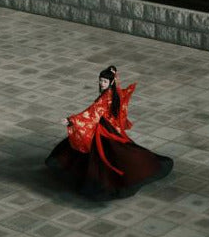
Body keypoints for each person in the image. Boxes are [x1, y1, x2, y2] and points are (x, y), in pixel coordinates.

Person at [45, 65, 173, 201]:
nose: (101, 83)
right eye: (100, 80)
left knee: (101, 156)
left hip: (103, 129)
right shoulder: (115, 92)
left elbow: (91, 113)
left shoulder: (105, 98)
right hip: (111, 127)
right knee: (116, 152)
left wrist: (71, 120)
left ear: (111, 82)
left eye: (105, 81)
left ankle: (103, 182)